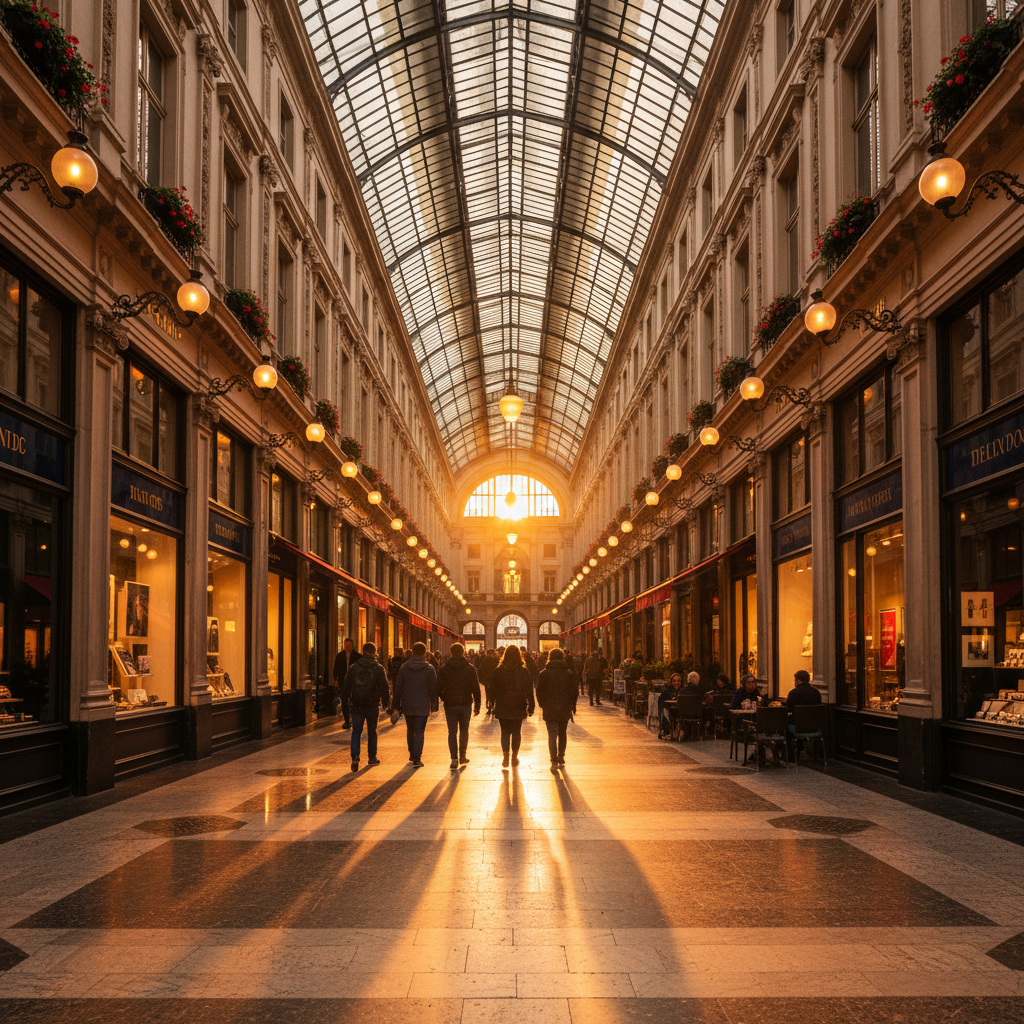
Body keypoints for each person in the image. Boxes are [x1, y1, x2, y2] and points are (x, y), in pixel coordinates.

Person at [342, 641, 391, 773]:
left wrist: (345, 705)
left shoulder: (353, 667)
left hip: (356, 704)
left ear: (363, 652)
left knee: (356, 731)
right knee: (372, 731)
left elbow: (346, 688)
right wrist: (386, 703)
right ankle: (372, 757)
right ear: (374, 653)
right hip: (372, 705)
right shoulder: (378, 668)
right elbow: (384, 687)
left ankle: (355, 757)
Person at [392, 642, 438, 768]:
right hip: (423, 703)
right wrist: (434, 704)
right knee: (419, 731)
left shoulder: (404, 667)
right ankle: (417, 757)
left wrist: (395, 704)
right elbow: (433, 688)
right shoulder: (429, 668)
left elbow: (399, 687)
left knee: (410, 729)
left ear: (412, 652)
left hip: (408, 703)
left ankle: (412, 753)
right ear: (424, 653)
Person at [436, 642, 481, 770]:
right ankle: (463, 756)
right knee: (464, 730)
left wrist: (445, 698)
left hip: (450, 703)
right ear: (462, 652)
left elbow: (438, 688)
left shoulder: (444, 668)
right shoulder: (470, 668)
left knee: (452, 732)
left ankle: (454, 758)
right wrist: (477, 704)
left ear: (451, 652)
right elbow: (475, 688)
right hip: (466, 702)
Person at [490, 645, 534, 768]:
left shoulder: (499, 670)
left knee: (504, 732)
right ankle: (514, 756)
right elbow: (529, 689)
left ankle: (505, 756)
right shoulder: (523, 670)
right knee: (516, 731)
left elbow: (492, 688)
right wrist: (531, 705)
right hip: (518, 704)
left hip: (503, 704)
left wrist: (491, 702)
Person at [536, 648, 577, 770]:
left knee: (552, 734)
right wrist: (572, 705)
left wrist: (542, 704)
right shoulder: (568, 673)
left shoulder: (544, 673)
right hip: (564, 706)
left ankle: (553, 759)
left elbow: (539, 691)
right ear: (562, 657)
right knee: (562, 733)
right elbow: (574, 691)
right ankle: (561, 756)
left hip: (549, 707)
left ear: (550, 657)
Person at [332, 637, 359, 729]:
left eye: (349, 645)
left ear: (352, 646)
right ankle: (347, 720)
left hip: (354, 682)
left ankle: (354, 718)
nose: (347, 647)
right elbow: (336, 668)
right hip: (343, 682)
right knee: (344, 700)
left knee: (354, 700)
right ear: (344, 645)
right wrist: (336, 679)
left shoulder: (357, 656)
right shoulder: (340, 656)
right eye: (346, 645)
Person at [658, 671, 685, 738]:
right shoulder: (666, 692)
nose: (676, 683)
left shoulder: (683, 691)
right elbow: (661, 703)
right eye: (674, 681)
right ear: (671, 682)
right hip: (670, 712)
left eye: (678, 681)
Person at [479, 648, 499, 714]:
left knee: (488, 693)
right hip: (494, 680)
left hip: (488, 680)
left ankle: (490, 706)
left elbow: (481, 669)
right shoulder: (497, 659)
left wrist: (481, 679)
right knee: (494, 693)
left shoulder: (485, 660)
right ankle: (493, 706)